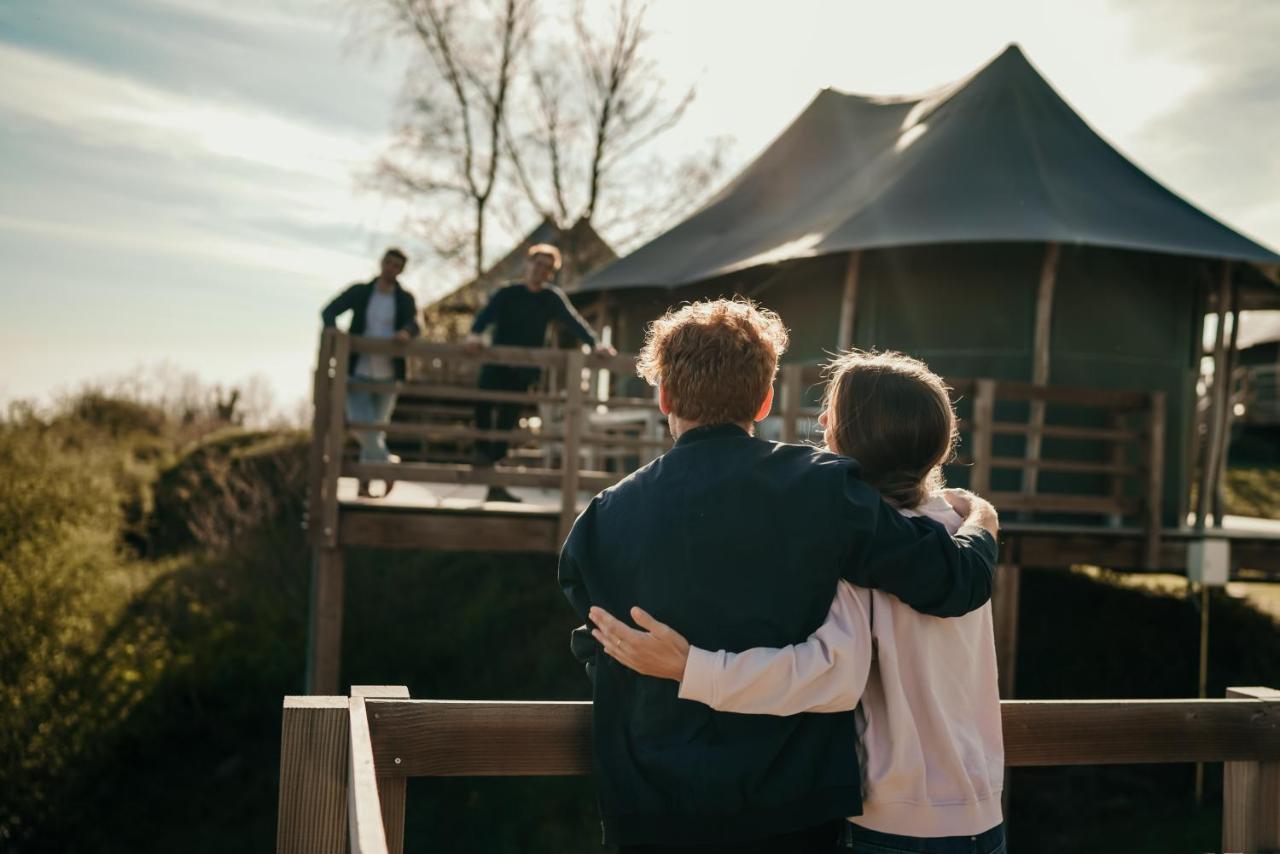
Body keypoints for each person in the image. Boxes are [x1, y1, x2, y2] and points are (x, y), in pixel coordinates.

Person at [558, 300, 1000, 852]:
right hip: (793, 809)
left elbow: (599, 640)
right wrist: (981, 520)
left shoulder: (603, 518)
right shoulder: (825, 489)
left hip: (652, 808)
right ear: (765, 399)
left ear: (664, 397)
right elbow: (953, 580)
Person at [466, 243, 614, 503]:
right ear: (528, 264)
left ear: (551, 273)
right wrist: (475, 335)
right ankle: (482, 457)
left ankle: (495, 486)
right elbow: (485, 316)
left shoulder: (550, 297)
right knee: (483, 407)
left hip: (523, 371)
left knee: (506, 424)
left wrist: (595, 343)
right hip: (496, 365)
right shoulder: (507, 293)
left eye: (547, 267)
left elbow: (573, 321)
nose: (540, 269)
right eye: (538, 263)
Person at [321, 247, 420, 498]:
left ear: (401, 270)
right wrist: (334, 332)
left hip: (388, 373)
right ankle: (388, 466)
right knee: (360, 425)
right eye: (389, 263)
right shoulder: (361, 292)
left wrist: (406, 333)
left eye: (397, 265)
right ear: (382, 263)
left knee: (375, 430)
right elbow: (329, 310)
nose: (391, 268)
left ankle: (364, 486)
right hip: (357, 370)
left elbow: (415, 323)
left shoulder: (404, 299)